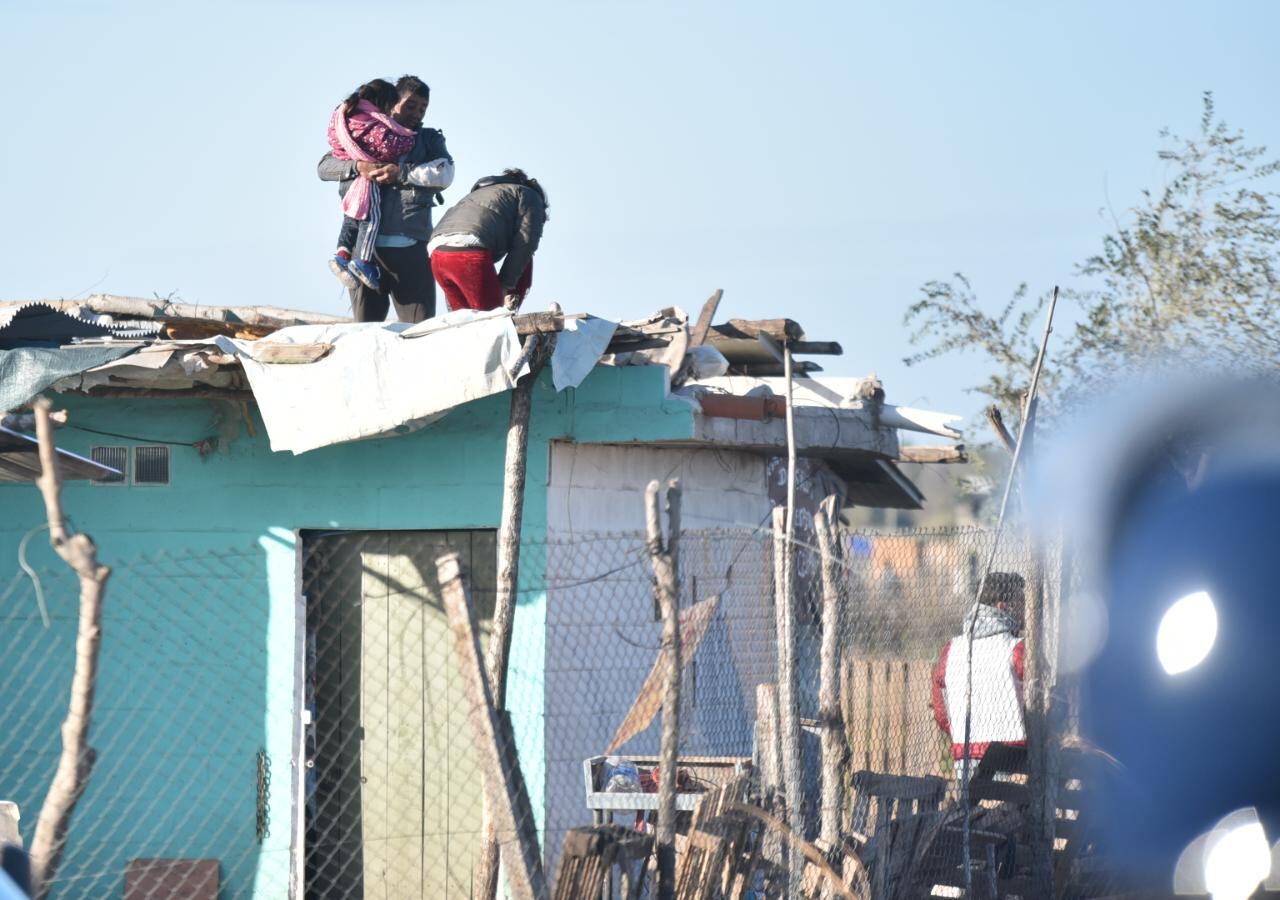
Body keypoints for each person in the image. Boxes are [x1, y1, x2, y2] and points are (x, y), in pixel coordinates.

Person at [317, 75, 453, 324]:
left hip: (411, 248)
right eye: (410, 106)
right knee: (365, 331)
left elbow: (445, 173)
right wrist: (359, 166)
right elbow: (325, 167)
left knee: (420, 331)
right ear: (391, 104)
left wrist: (401, 173)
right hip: (366, 256)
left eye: (423, 108)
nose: (417, 113)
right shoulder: (362, 135)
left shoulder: (428, 140)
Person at [930, 572, 1027, 780]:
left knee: (975, 810)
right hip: (1014, 759)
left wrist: (960, 730)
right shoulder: (1017, 649)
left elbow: (941, 712)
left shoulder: (952, 648)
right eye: (1021, 602)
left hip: (964, 757)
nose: (1026, 609)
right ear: (1003, 606)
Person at [325, 78, 419, 293]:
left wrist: (351, 164)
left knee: (350, 220)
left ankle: (342, 255)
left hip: (348, 184)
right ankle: (363, 262)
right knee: (370, 219)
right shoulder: (370, 123)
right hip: (366, 184)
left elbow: (332, 151)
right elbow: (388, 146)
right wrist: (409, 140)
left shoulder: (343, 115)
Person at [427, 169, 547, 312]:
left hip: (437, 253)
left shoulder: (481, 193)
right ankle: (508, 313)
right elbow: (525, 245)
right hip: (468, 254)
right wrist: (504, 286)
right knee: (491, 321)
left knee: (461, 322)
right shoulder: (531, 196)